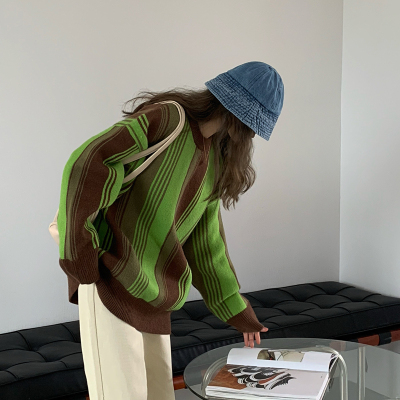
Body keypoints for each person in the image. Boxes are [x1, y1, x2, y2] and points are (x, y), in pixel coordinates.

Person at [57, 61, 284, 400]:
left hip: (154, 295)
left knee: (159, 393)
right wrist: (83, 258)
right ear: (236, 112)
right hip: (110, 279)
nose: (251, 135)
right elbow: (87, 162)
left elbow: (206, 244)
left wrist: (237, 311)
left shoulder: (215, 159)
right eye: (252, 125)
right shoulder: (169, 119)